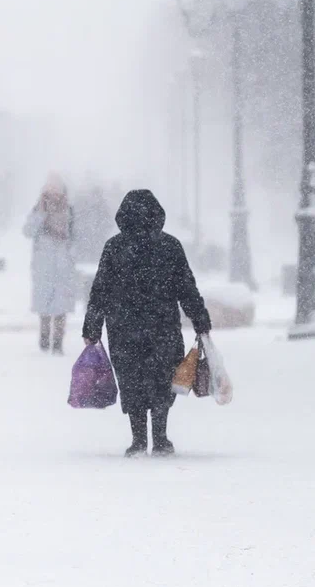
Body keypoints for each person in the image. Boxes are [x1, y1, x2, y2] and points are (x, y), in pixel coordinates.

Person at [83, 190, 212, 458]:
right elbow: (186, 288)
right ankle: (161, 438)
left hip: (123, 328)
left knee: (132, 381)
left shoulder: (114, 247)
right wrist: (200, 320)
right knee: (163, 380)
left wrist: (92, 327)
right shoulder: (170, 246)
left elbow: (100, 291)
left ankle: (138, 440)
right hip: (162, 328)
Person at [23, 176, 76, 354]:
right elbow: (28, 231)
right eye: (50, 191)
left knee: (61, 306)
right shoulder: (38, 209)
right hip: (44, 264)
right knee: (44, 305)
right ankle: (44, 339)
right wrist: (41, 214)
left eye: (56, 190)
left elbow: (76, 237)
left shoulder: (69, 210)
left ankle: (58, 342)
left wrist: (71, 256)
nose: (53, 195)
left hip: (63, 265)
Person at [72, 185, 113, 265]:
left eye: (97, 195)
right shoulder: (88, 207)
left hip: (96, 238)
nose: (96, 198)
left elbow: (109, 223)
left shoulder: (102, 208)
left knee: (95, 256)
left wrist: (101, 229)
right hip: (90, 238)